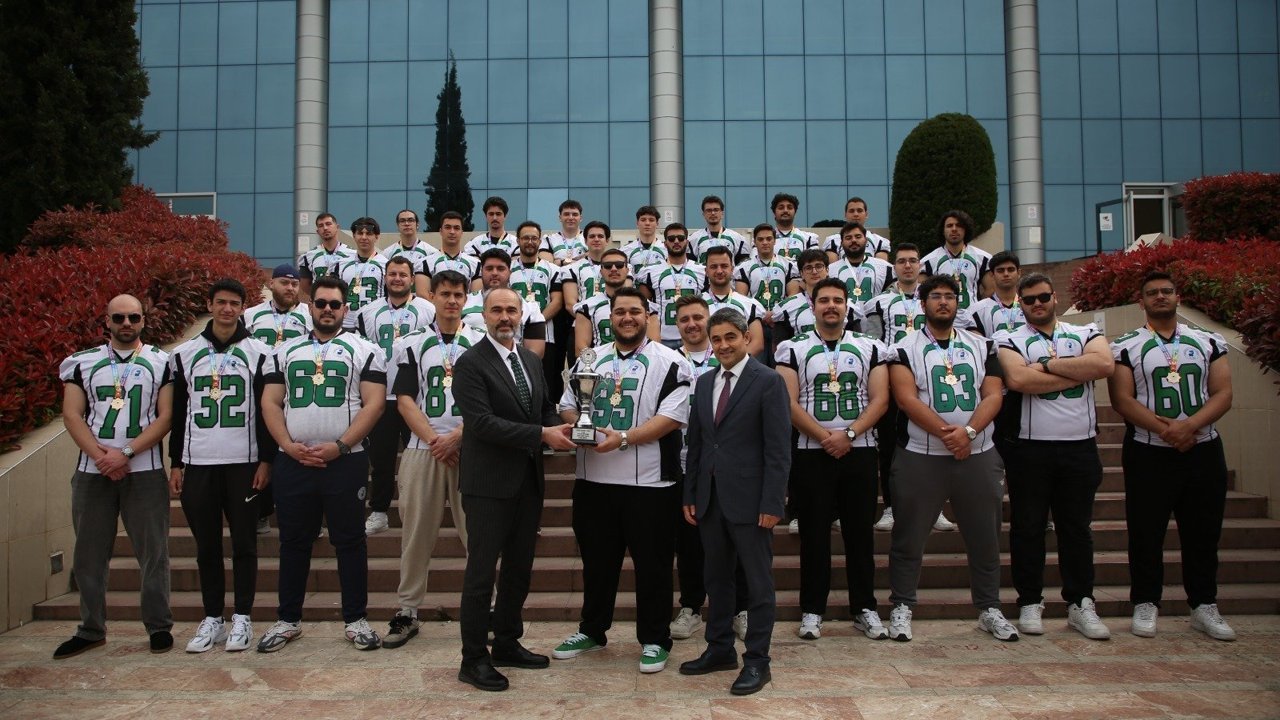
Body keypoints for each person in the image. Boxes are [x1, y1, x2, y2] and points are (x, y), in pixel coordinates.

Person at [552, 287, 692, 674]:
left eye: (634, 311)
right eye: (619, 312)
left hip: (650, 485)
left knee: (653, 566)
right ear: (609, 317)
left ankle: (655, 638)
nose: (627, 318)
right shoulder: (590, 359)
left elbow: (671, 418)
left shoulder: (671, 361)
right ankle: (592, 630)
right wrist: (581, 426)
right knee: (597, 564)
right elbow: (567, 406)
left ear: (647, 316)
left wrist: (624, 438)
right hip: (594, 481)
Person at [452, 287, 578, 692]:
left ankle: (506, 642)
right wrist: (542, 434)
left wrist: (566, 427)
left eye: (511, 310)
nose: (505, 317)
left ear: (522, 315)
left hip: (527, 481)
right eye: (497, 310)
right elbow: (482, 423)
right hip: (488, 485)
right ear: (484, 315)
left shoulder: (529, 359)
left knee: (519, 569)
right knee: (481, 574)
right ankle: (473, 659)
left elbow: (542, 409)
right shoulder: (470, 363)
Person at [256, 275, 386, 653]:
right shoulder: (283, 351)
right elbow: (270, 402)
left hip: (345, 461)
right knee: (293, 542)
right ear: (309, 306)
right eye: (321, 303)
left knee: (350, 541)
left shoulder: (365, 349)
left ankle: (356, 619)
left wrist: (341, 447)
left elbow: (374, 404)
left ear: (345, 309)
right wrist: (287, 446)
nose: (328, 309)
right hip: (294, 460)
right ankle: (288, 620)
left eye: (335, 304)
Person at [885, 274, 1016, 643]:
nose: (943, 302)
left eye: (949, 296)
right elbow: (906, 399)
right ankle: (902, 605)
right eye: (935, 296)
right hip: (921, 455)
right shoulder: (903, 348)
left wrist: (968, 433)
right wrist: (951, 435)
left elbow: (993, 395)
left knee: (985, 536)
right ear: (922, 304)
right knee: (909, 536)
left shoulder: (982, 345)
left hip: (978, 452)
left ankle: (989, 607)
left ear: (958, 303)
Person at [1109, 271, 1237, 641]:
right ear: (1141, 301)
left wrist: (1190, 426)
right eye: (1152, 292)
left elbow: (1223, 392)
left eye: (1167, 291)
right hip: (1149, 450)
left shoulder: (1208, 340)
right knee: (1145, 531)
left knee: (1203, 532)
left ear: (1178, 297)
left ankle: (1204, 604)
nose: (1160, 297)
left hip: (1203, 446)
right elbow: (1122, 399)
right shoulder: (1126, 345)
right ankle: (1145, 601)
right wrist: (1167, 430)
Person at [54, 295, 174, 660]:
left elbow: (166, 416)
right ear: (107, 320)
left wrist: (126, 453)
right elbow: (72, 415)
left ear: (143, 320)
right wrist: (101, 456)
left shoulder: (161, 362)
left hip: (144, 469)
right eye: (119, 317)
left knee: (153, 553)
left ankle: (158, 626)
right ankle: (91, 629)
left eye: (133, 317)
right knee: (89, 554)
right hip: (93, 470)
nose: (126, 323)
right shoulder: (82, 362)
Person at [679, 308, 790, 696]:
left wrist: (773, 502)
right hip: (710, 501)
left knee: (757, 584)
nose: (723, 345)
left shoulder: (768, 381)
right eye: (717, 339)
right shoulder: (705, 381)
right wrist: (691, 493)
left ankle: (758, 661)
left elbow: (778, 449)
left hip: (752, 502)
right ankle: (720, 648)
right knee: (716, 579)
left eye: (730, 337)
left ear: (746, 338)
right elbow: (697, 443)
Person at [996, 272, 1114, 640]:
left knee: (1076, 529)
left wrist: (1046, 366)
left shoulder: (1085, 332)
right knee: (1028, 527)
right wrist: (1076, 371)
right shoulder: (1008, 339)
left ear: (1055, 297)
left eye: (1043, 297)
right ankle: (1030, 601)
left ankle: (1080, 603)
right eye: (1029, 299)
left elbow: (1104, 365)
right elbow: (1019, 381)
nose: (1037, 304)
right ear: (1020, 303)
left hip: (1079, 446)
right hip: (1030, 448)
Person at [775, 279, 889, 642]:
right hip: (812, 452)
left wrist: (849, 435)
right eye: (823, 300)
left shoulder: (870, 346)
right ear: (812, 306)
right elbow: (788, 402)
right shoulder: (792, 348)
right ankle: (812, 608)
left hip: (860, 449)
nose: (831, 306)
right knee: (813, 535)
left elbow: (880, 399)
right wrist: (826, 437)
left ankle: (864, 607)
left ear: (847, 305)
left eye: (837, 300)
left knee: (860, 534)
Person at [168, 279, 274, 653]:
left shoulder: (261, 353)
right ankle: (213, 617)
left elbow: (268, 412)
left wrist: (266, 459)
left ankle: (242, 616)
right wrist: (176, 462)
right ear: (210, 305)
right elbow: (178, 412)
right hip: (199, 462)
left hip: (243, 463)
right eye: (221, 302)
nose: (227, 309)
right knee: (207, 546)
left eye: (234, 303)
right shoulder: (184, 354)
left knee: (245, 544)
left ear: (243, 308)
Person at [382, 270, 485, 648]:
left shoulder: (481, 341)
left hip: (471, 448)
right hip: (423, 448)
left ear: (466, 298)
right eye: (445, 294)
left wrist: (458, 437)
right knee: (415, 534)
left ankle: (485, 609)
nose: (452, 300)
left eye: (458, 294)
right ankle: (408, 610)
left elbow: (490, 400)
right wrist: (434, 440)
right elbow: (405, 399)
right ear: (433, 297)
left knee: (479, 534)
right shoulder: (412, 343)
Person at [669, 296, 751, 642]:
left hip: (724, 465)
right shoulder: (668, 359)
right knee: (689, 543)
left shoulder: (728, 357)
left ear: (709, 319)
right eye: (684, 319)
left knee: (735, 541)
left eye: (698, 317)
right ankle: (691, 606)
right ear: (676, 324)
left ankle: (740, 608)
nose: (691, 324)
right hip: (682, 461)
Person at [862, 244, 955, 533]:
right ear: (894, 267)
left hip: (929, 376)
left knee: (933, 443)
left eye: (913, 260)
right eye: (901, 261)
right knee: (891, 447)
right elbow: (873, 341)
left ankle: (935, 507)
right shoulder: (879, 302)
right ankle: (891, 506)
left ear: (920, 266)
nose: (907, 265)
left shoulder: (933, 299)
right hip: (894, 377)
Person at [356, 256, 436, 535]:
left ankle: (421, 511)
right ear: (385, 277)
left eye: (403, 274)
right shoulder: (368, 312)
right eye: (392, 274)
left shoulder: (428, 309)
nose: (397, 279)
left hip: (416, 396)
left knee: (420, 456)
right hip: (382, 395)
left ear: (412, 278)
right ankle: (379, 511)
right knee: (381, 459)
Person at [508, 221, 565, 401]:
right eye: (525, 238)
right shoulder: (507, 268)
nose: (530, 242)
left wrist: (535, 321)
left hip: (544, 335)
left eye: (534, 238)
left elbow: (557, 301)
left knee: (545, 383)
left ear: (540, 241)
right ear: (518, 240)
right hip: (513, 334)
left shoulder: (553, 269)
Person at [461, 248, 548, 358]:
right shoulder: (463, 303)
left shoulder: (530, 308)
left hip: (510, 365)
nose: (494, 273)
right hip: (471, 364)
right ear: (481, 272)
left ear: (510, 273)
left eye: (500, 269)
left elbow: (535, 355)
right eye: (489, 268)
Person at [734, 223, 801, 366]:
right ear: (754, 242)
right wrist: (761, 314)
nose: (765, 242)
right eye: (761, 239)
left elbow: (793, 296)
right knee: (758, 366)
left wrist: (775, 313)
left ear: (775, 240)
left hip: (780, 323)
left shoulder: (789, 265)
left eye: (769, 239)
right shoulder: (744, 267)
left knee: (781, 365)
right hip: (756, 323)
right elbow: (741, 298)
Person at [574, 248, 658, 354]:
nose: (613, 269)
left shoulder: (647, 306)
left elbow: (654, 347)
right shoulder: (587, 307)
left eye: (619, 265)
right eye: (608, 266)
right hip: (600, 362)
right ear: (601, 271)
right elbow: (581, 349)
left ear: (627, 270)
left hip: (639, 362)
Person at [638, 223, 706, 350]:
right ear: (665, 244)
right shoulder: (651, 271)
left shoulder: (701, 270)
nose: (676, 241)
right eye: (671, 238)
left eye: (680, 238)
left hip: (692, 336)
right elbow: (643, 306)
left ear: (687, 242)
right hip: (663, 338)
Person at [919, 209, 991, 313]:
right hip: (942, 316)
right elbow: (922, 294)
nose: (954, 229)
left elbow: (991, 289)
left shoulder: (983, 258)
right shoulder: (928, 261)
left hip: (973, 317)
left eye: (959, 225)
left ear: (966, 229)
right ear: (943, 230)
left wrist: (978, 310)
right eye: (949, 226)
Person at [701, 245, 765, 357]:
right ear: (706, 271)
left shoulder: (750, 304)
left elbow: (757, 343)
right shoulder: (696, 304)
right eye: (714, 267)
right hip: (703, 364)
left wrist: (732, 362)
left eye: (724, 266)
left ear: (732, 269)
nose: (719, 271)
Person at [245, 264, 313, 349]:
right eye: (284, 283)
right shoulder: (251, 314)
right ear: (271, 283)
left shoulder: (310, 315)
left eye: (294, 284)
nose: (290, 288)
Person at [826, 222, 894, 305]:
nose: (853, 240)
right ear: (841, 243)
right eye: (848, 238)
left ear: (866, 240)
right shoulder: (830, 270)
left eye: (858, 237)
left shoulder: (885, 268)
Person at [338, 216, 388, 330]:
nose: (364, 237)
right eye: (360, 233)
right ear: (354, 236)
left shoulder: (385, 264)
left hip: (373, 324)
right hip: (345, 325)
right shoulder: (340, 264)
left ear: (377, 236)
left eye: (369, 234)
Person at [379, 209, 439, 297]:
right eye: (402, 221)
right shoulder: (387, 253)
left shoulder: (431, 252)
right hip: (396, 300)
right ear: (398, 225)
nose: (406, 223)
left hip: (421, 300)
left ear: (417, 225)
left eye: (410, 220)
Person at [298, 212, 354, 301]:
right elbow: (305, 285)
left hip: (345, 302)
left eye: (328, 224)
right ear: (317, 231)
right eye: (321, 226)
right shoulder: (308, 256)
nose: (325, 228)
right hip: (320, 303)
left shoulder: (353, 254)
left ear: (337, 227)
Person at [968, 251, 1025, 336]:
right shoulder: (977, 310)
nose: (1006, 274)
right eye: (1000, 270)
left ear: (1019, 273)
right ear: (992, 275)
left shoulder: (1030, 305)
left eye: (1010, 270)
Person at [822, 197, 891, 262]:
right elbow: (833, 268)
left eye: (859, 211)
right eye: (851, 211)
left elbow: (881, 268)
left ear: (866, 214)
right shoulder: (832, 241)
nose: (855, 214)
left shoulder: (879, 241)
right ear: (845, 215)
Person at [688, 195, 749, 265]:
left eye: (716, 210)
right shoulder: (693, 239)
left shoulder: (738, 238)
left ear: (722, 213)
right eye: (709, 210)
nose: (713, 213)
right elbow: (690, 266)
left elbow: (742, 267)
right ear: (703, 214)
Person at [423, 211, 481, 282]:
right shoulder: (426, 263)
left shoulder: (475, 263)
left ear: (462, 232)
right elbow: (424, 289)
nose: (452, 232)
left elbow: (476, 289)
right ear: (441, 231)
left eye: (456, 228)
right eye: (447, 227)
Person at [619, 205, 669, 275]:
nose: (647, 223)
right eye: (643, 220)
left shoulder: (666, 250)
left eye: (651, 220)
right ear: (637, 223)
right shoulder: (625, 250)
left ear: (657, 224)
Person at [769, 192, 818, 261]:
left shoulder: (808, 238)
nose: (785, 210)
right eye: (781, 208)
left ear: (795, 212)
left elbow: (814, 263)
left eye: (789, 207)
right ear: (774, 212)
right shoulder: (764, 239)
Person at [538, 198, 587, 264]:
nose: (571, 218)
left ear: (580, 218)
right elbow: (546, 266)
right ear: (560, 217)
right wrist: (581, 260)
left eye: (575, 214)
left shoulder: (589, 238)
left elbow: (595, 261)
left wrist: (560, 262)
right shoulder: (548, 240)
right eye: (566, 214)